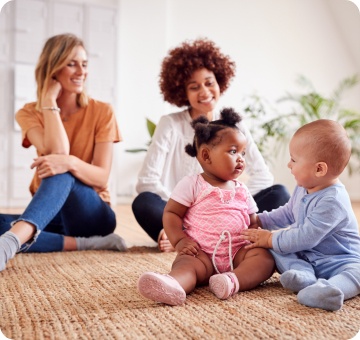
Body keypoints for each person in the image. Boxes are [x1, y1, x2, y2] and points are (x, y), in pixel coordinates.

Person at [132, 38, 290, 252]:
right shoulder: (170, 124)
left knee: (279, 193)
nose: (204, 92)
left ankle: (187, 235)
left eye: (209, 83)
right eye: (194, 87)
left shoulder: (234, 125)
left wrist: (230, 201)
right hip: (181, 211)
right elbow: (147, 182)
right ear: (183, 92)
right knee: (143, 202)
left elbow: (263, 177)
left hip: (226, 212)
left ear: (219, 82)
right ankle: (181, 232)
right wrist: (189, 208)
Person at [0, 33, 126, 272]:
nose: (81, 71)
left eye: (84, 64)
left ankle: (11, 242)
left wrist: (69, 162)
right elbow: (58, 152)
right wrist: (48, 99)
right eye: (71, 63)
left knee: (61, 169)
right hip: (55, 216)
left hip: (93, 214)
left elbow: (99, 176)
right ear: (53, 68)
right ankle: (83, 244)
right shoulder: (28, 112)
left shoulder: (102, 112)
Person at [137, 108, 275, 305]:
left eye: (243, 153)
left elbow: (253, 221)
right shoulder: (192, 183)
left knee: (265, 259)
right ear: (206, 155)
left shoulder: (242, 189)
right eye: (234, 151)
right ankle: (173, 284)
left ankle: (232, 281)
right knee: (186, 264)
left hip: (237, 253)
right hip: (201, 253)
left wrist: (257, 236)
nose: (241, 159)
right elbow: (171, 213)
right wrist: (180, 241)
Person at [240, 119, 360, 311]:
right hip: (308, 256)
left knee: (356, 273)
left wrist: (269, 238)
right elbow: (288, 212)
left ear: (319, 169)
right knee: (275, 248)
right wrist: (261, 220)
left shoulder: (333, 200)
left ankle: (330, 290)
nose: (289, 164)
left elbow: (305, 237)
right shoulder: (304, 187)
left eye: (294, 160)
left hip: (339, 261)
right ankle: (303, 274)